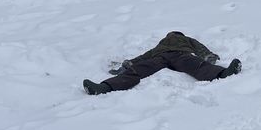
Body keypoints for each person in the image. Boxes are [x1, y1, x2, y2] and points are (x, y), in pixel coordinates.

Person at [83, 31, 241, 95]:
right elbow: (146, 55)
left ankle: (223, 73)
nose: (172, 35)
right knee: (139, 69)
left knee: (196, 64)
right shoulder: (160, 45)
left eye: (174, 34)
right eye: (170, 34)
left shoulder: (186, 40)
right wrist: (130, 63)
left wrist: (207, 55)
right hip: (161, 57)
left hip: (182, 55)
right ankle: (104, 87)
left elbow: (198, 47)